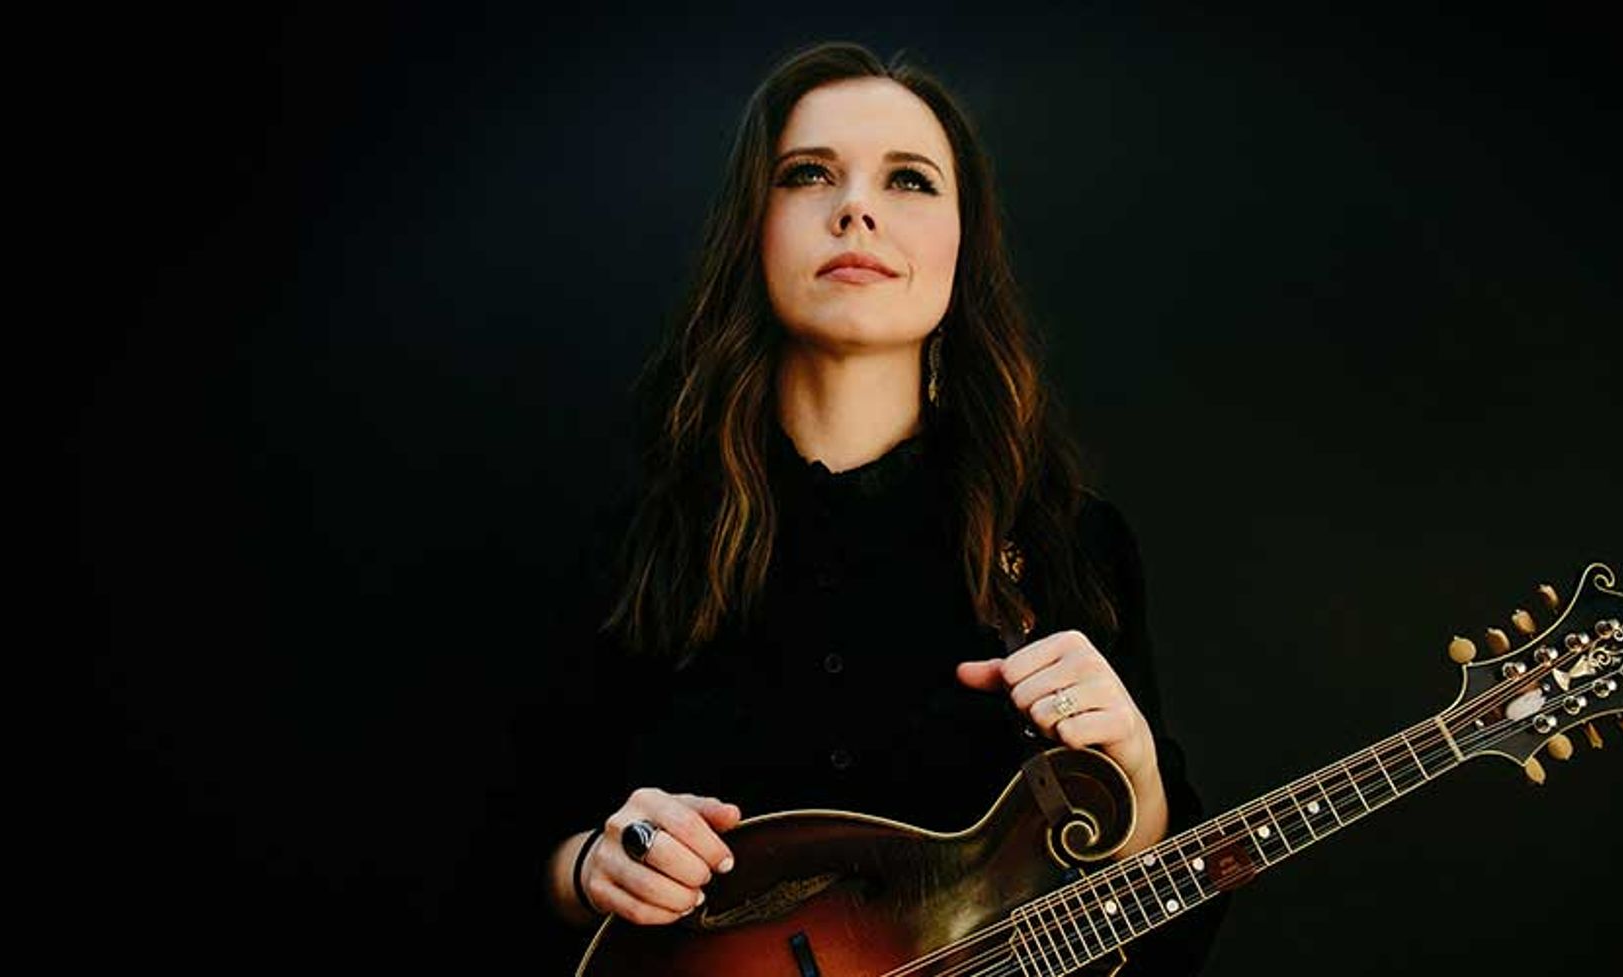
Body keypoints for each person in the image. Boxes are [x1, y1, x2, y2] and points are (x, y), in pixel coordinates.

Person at [523, 41, 1227, 974]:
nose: (856, 208)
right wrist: (591, 869)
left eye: (910, 181)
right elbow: (487, 864)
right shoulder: (629, 545)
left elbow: (1167, 948)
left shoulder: (1070, 545)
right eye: (809, 174)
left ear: (962, 242)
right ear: (753, 227)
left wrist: (1137, 782)